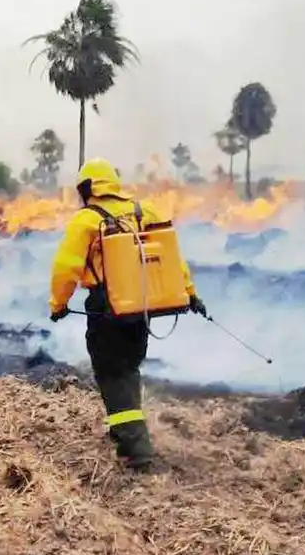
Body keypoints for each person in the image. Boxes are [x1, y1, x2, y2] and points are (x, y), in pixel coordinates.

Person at [48, 158, 206, 471]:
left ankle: (136, 451)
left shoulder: (87, 220)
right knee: (128, 368)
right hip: (141, 307)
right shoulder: (144, 212)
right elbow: (172, 258)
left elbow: (67, 268)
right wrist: (190, 293)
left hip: (108, 308)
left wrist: (58, 304)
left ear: (86, 189)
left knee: (111, 373)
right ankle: (125, 431)